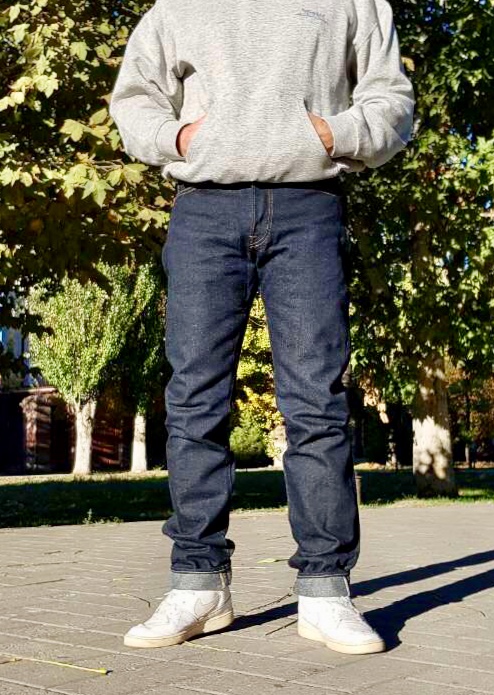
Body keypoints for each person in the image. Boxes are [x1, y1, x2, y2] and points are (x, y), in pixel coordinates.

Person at [109, 0, 415, 655]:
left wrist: (332, 133)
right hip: (203, 209)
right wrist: (179, 139)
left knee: (317, 401)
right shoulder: (177, 6)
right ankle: (198, 584)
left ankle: (326, 591)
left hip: (311, 207)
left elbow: (390, 98)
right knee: (194, 400)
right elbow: (134, 97)